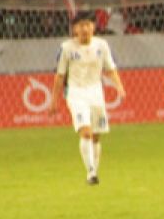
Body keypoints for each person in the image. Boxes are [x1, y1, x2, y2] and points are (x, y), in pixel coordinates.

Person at [50, 11, 126, 184]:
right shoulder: (66, 48)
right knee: (86, 132)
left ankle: (93, 170)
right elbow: (59, 76)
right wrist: (54, 100)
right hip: (76, 93)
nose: (85, 28)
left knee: (97, 136)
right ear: (75, 29)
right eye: (81, 25)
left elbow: (110, 68)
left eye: (88, 24)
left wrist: (119, 87)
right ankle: (91, 173)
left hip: (96, 93)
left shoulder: (102, 45)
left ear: (94, 27)